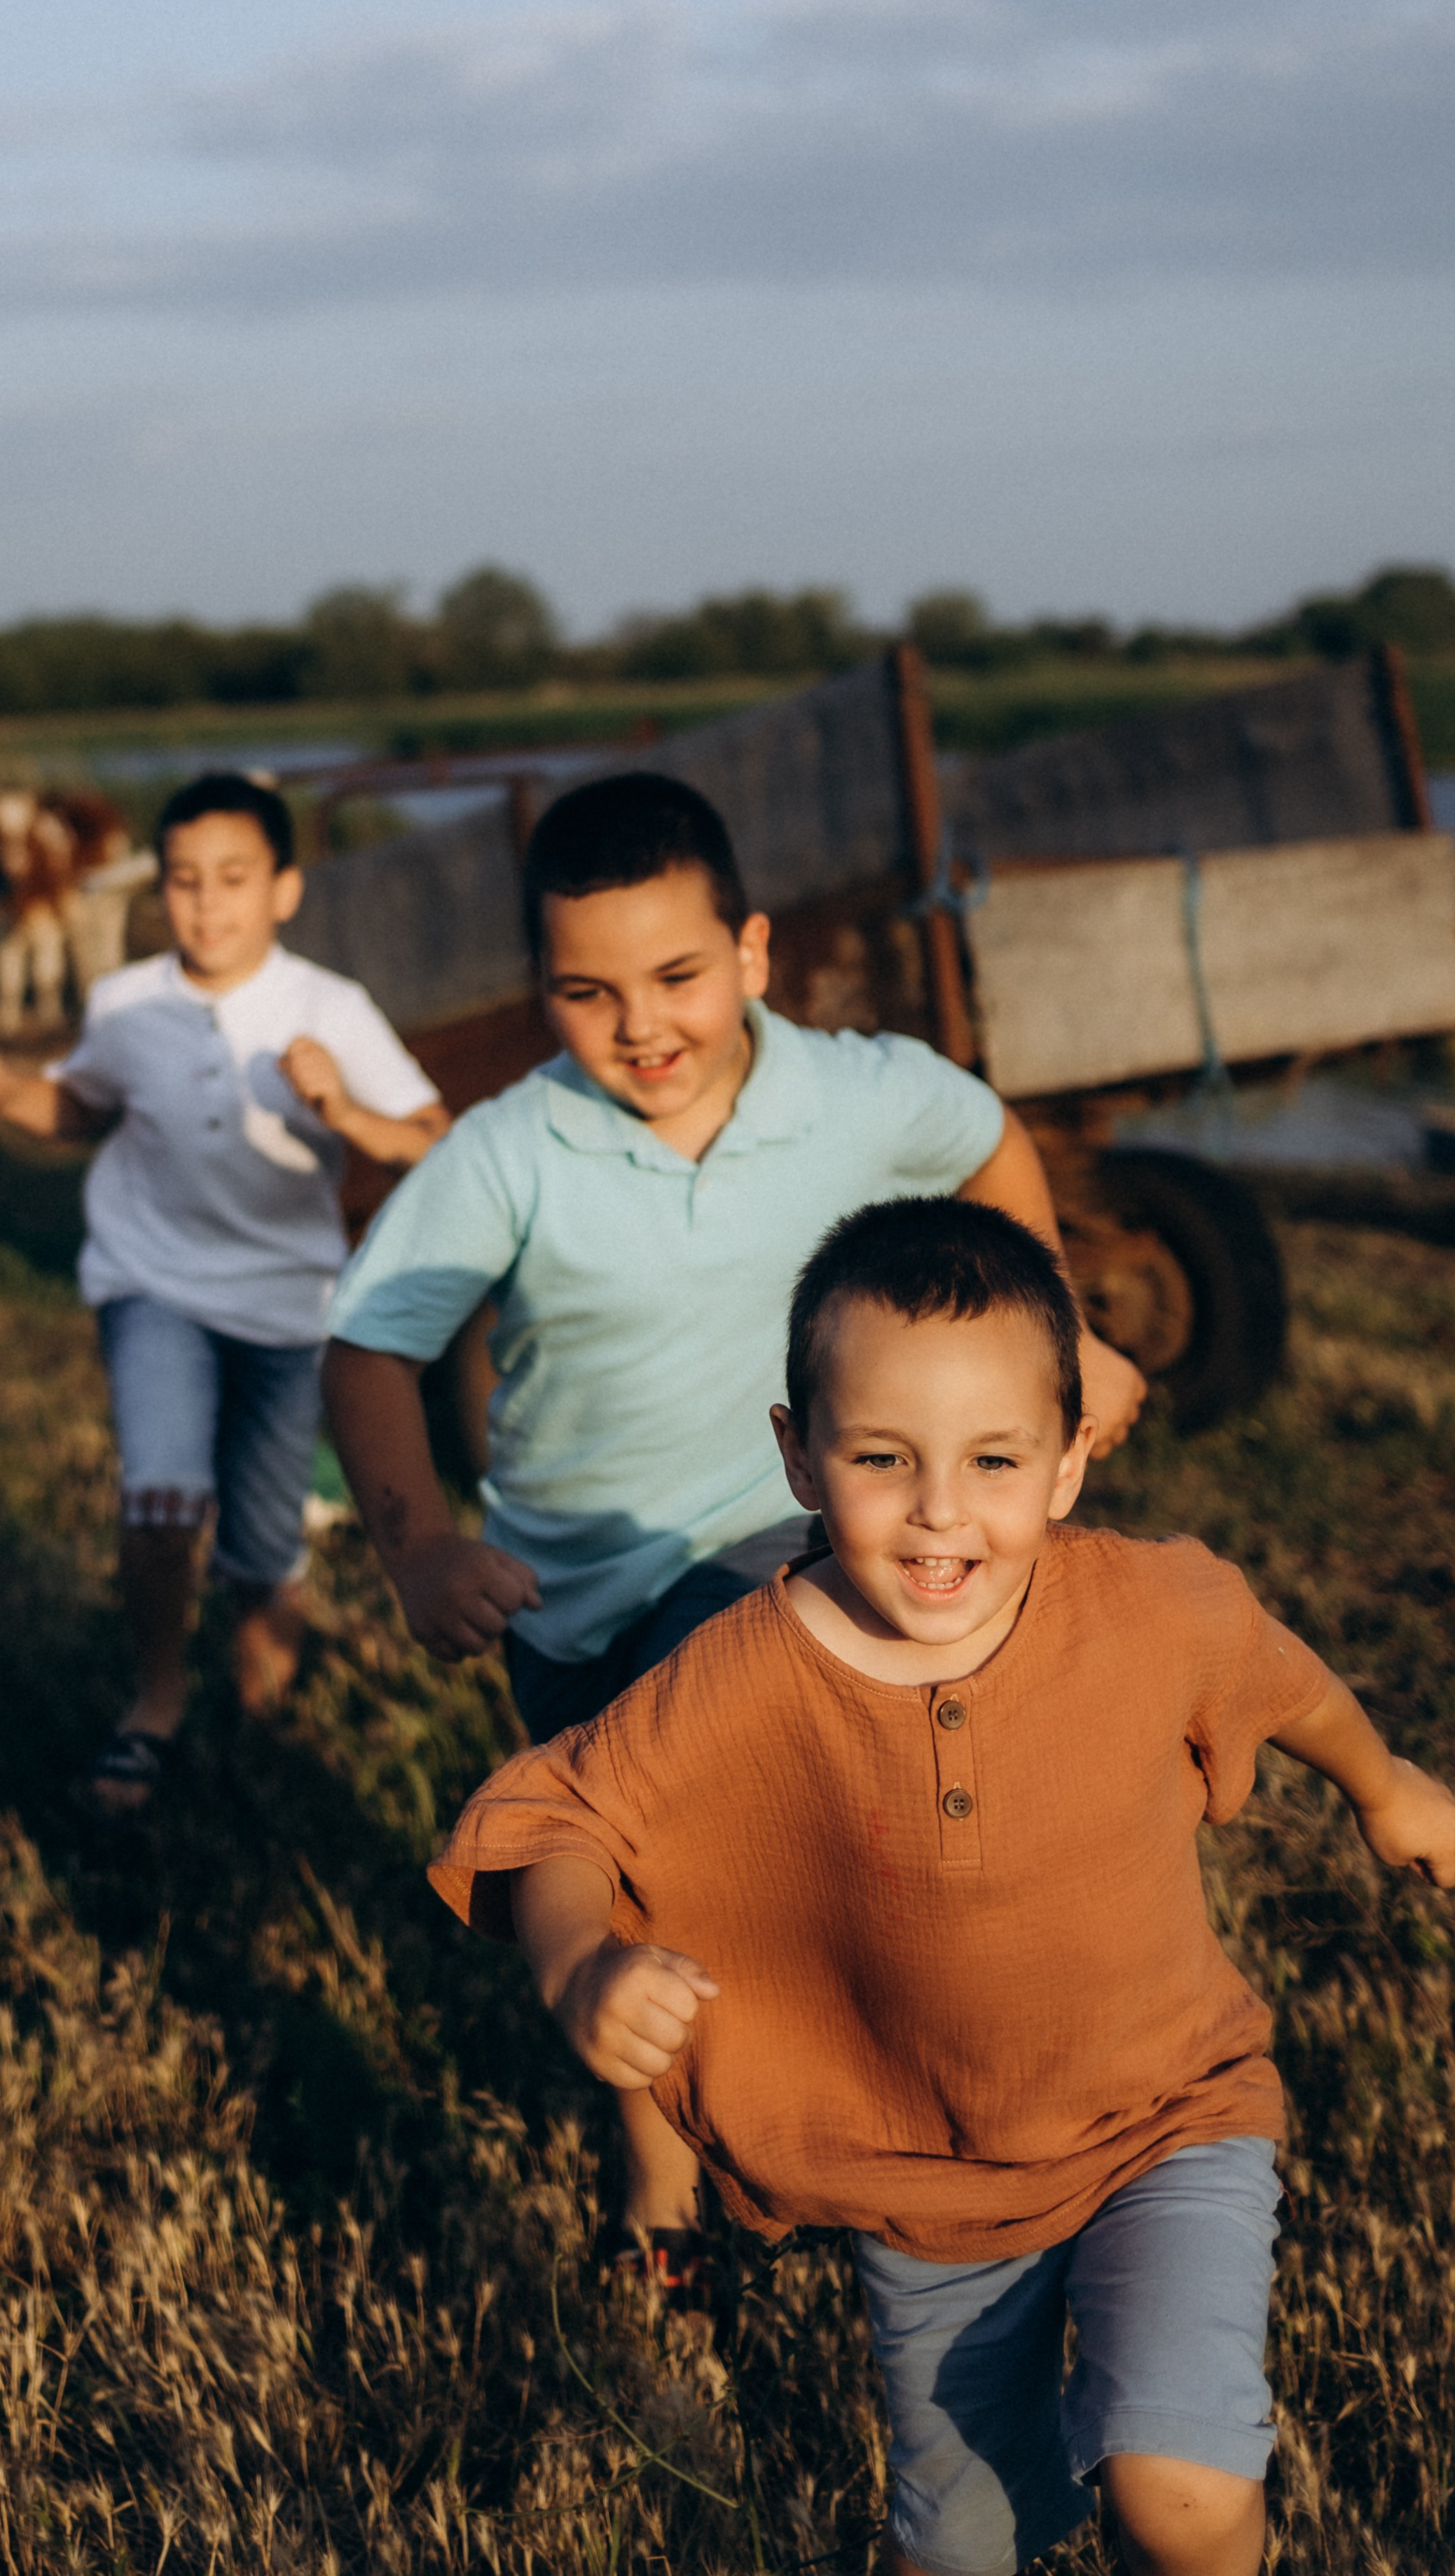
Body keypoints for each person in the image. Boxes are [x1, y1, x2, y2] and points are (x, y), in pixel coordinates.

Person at [429, 1196, 1455, 2576]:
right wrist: (576, 1961)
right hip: (926, 2192)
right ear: (799, 1456)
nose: (940, 1510)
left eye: (994, 1459)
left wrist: (1383, 1781)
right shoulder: (746, 1671)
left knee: (1180, 2485)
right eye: (882, 1456)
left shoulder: (1147, 1610)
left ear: (1066, 1463)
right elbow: (559, 1807)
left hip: (1169, 2115)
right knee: (960, 2544)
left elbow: (1273, 1668)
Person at [322, 770, 1146, 2278]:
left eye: (680, 977)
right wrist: (419, 1551)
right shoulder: (516, 1149)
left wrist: (1059, 1342)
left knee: (794, 1819)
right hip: (573, 1607)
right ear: (544, 993)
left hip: (786, 1552)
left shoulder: (862, 1089)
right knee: (644, 1899)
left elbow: (984, 1143)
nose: (642, 1025)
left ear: (754, 955)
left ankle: (920, 2126)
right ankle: (665, 2175)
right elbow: (370, 1346)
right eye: (588, 991)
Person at [0, 769, 449, 1814]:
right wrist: (0, 1090)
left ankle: (260, 1684)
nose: (205, 903)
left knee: (261, 1545)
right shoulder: (126, 1004)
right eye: (182, 881)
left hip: (291, 1306)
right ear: (155, 891)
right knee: (161, 1499)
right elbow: (79, 1107)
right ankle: (155, 1698)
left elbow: (430, 1143)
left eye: (232, 879)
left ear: (285, 890)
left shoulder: (327, 1008)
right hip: (151, 1282)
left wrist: (342, 1109)